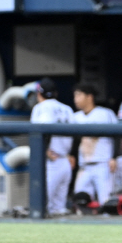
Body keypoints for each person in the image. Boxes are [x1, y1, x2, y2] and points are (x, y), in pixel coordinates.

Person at [70, 83, 119, 210]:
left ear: (89, 97)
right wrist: (71, 155)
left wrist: (115, 157)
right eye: (75, 96)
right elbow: (74, 142)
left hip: (103, 163)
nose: (76, 99)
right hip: (84, 166)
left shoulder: (105, 113)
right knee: (80, 201)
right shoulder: (75, 117)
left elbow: (117, 136)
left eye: (79, 95)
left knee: (106, 202)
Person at [30, 77, 74, 217]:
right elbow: (76, 134)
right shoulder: (67, 108)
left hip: (51, 160)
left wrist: (44, 150)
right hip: (65, 159)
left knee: (42, 205)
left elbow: (44, 127)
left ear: (39, 93)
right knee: (59, 208)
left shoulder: (41, 107)